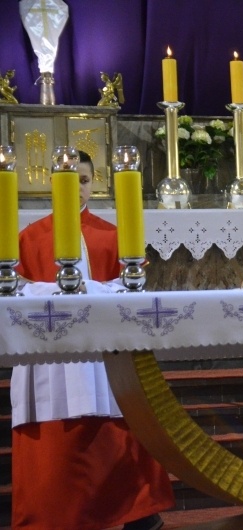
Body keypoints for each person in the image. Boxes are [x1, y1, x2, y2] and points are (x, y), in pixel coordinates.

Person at [12, 151, 174, 530]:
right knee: (57, 449)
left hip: (105, 361)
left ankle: (135, 513)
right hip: (51, 359)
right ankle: (52, 516)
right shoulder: (29, 237)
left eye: (84, 180)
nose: (78, 188)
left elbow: (129, 288)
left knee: (115, 436)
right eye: (69, 180)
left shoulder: (112, 235)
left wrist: (89, 290)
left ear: (94, 183)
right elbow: (15, 290)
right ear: (52, 183)